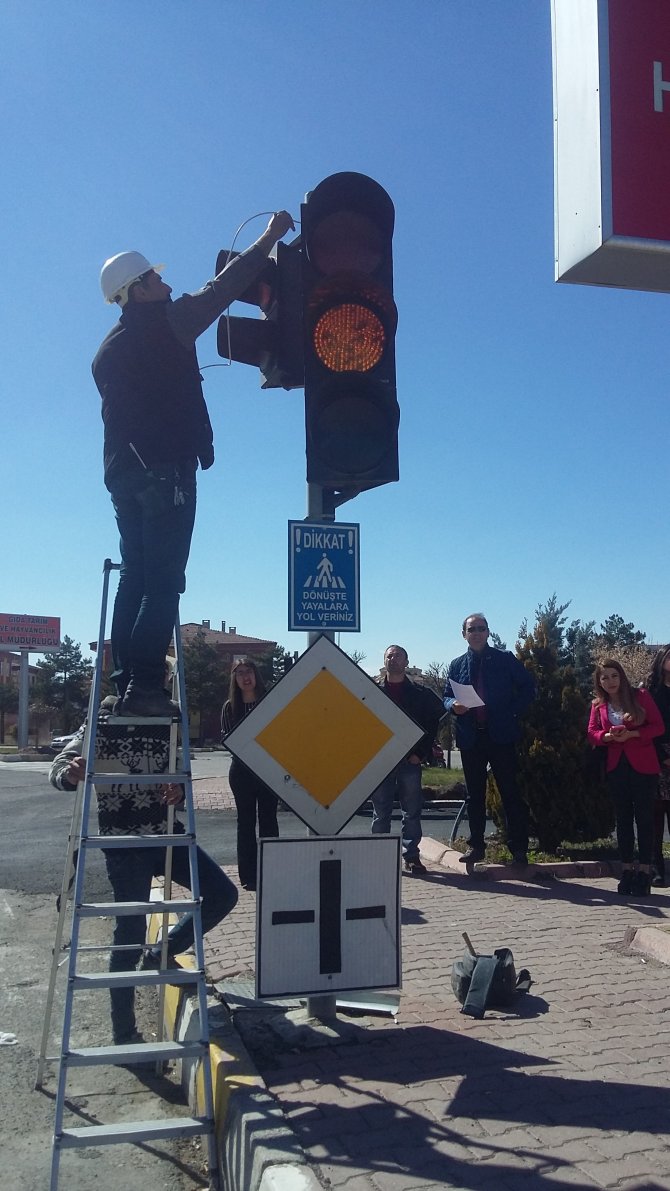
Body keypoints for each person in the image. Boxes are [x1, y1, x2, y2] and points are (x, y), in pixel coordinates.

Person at [92, 210, 295, 717]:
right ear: (137, 290)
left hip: (121, 473)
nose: (165, 283)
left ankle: (124, 683)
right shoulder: (169, 322)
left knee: (134, 575)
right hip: (166, 470)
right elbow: (224, 287)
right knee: (163, 578)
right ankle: (143, 687)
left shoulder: (106, 350)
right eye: (156, 278)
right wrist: (270, 236)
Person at [50, 709, 238, 1046]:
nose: (159, 681)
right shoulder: (102, 719)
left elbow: (181, 773)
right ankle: (124, 1035)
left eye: (164, 675)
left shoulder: (169, 717)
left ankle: (161, 954)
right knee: (130, 934)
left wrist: (179, 789)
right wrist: (71, 772)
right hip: (124, 845)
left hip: (168, 835)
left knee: (223, 894)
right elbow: (60, 765)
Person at [444, 614, 535, 867]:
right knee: (474, 796)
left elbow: (528, 688)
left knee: (510, 793)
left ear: (488, 632)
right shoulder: (456, 664)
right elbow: (446, 695)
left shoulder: (505, 660)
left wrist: (512, 711)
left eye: (481, 628)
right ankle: (476, 847)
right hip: (471, 737)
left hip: (501, 736)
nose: (476, 633)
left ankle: (518, 850)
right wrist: (453, 705)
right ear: (463, 634)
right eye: (471, 629)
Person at [587, 658, 663, 896]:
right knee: (623, 819)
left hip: (643, 766)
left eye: (614, 676)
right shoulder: (599, 705)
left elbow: (658, 727)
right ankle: (627, 869)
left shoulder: (640, 696)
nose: (610, 681)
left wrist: (633, 735)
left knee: (645, 819)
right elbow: (591, 732)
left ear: (621, 676)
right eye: (604, 677)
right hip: (616, 767)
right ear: (599, 681)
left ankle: (644, 871)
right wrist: (606, 737)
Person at [370, 645, 445, 875]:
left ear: (406, 661)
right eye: (389, 656)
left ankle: (411, 856)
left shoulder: (420, 694)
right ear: (384, 662)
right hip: (381, 761)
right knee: (380, 811)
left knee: (411, 811)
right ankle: (380, 856)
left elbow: (433, 722)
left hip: (409, 761)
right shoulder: (372, 692)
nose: (393, 659)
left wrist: (420, 753)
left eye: (398, 656)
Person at [221, 659, 279, 892]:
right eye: (240, 673)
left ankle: (271, 870)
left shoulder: (270, 701)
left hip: (267, 771)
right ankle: (248, 876)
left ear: (257, 675)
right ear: (235, 679)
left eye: (249, 672)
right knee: (245, 823)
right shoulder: (229, 706)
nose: (246, 677)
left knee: (269, 821)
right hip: (241, 773)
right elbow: (226, 739)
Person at [646, 645, 670, 886]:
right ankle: (656, 868)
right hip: (655, 758)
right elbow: (646, 727)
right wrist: (662, 756)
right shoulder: (650, 691)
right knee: (655, 816)